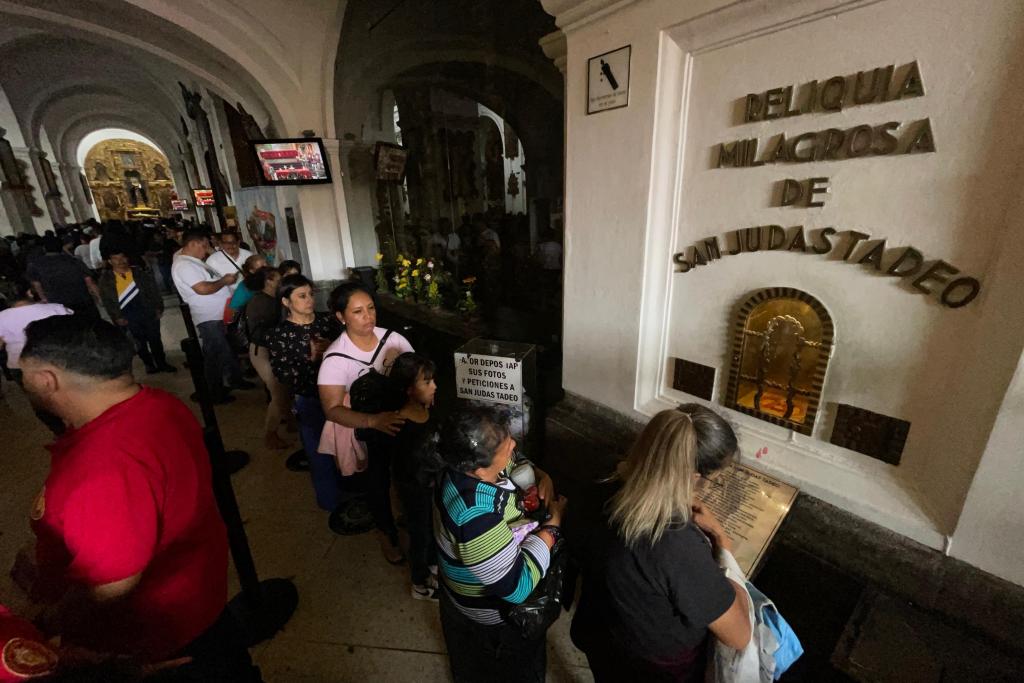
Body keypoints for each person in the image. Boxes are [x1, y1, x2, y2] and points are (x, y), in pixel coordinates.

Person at [18, 316, 261, 680]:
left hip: (155, 641)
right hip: (198, 604)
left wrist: (46, 620)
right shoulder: (158, 403)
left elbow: (112, 583)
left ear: (45, 379)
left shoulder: (104, 466)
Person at [567, 406, 752, 683]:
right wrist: (723, 545)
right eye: (715, 480)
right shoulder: (675, 543)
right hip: (651, 666)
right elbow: (739, 634)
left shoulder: (600, 481)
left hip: (600, 633)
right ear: (693, 477)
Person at [433, 405, 565, 683]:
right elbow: (515, 587)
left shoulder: (466, 464)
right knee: (511, 668)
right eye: (505, 444)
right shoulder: (475, 515)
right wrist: (552, 526)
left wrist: (543, 477)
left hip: (462, 595)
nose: (513, 444)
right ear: (480, 470)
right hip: (493, 615)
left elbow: (516, 459)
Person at [317, 282, 410, 559]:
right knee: (377, 481)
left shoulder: (393, 340)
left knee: (404, 475)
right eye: (357, 311)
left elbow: (416, 378)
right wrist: (372, 421)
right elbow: (332, 409)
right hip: (367, 428)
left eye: (370, 308)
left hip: (399, 420)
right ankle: (385, 531)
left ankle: (405, 518)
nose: (368, 316)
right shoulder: (335, 358)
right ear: (341, 317)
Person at [266, 275, 341, 511]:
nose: (309, 300)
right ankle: (330, 500)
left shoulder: (327, 322)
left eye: (311, 294)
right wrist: (312, 360)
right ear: (286, 302)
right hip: (310, 398)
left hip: (340, 393)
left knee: (348, 446)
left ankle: (352, 487)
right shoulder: (279, 334)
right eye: (301, 296)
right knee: (319, 450)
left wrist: (332, 350)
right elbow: (284, 375)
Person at [171, 228, 252, 404]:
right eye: (204, 245)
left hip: (218, 314)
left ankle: (229, 382)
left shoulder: (193, 261)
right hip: (208, 317)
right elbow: (203, 288)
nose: (206, 249)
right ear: (193, 244)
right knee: (216, 354)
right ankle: (214, 392)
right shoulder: (184, 265)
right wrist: (224, 281)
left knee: (221, 351)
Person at [382, 352, 439, 600]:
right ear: (408, 389)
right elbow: (404, 465)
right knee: (420, 533)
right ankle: (419, 582)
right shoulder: (399, 424)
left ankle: (433, 566)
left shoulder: (424, 410)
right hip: (414, 487)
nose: (434, 386)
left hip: (427, 484)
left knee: (429, 527)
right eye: (426, 382)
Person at [0, 279, 71, 433]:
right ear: (30, 292)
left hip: (21, 367)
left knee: (41, 403)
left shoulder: (2, 318)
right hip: (57, 361)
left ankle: (60, 432)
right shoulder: (55, 309)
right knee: (69, 393)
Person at [98, 245, 175, 375]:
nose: (120, 261)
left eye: (122, 257)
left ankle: (161, 362)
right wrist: (116, 317)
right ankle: (148, 363)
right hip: (127, 314)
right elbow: (107, 301)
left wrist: (158, 307)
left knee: (155, 338)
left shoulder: (139, 273)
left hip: (147, 310)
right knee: (139, 341)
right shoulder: (106, 280)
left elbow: (154, 291)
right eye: (115, 259)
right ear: (110, 261)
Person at [244, 266, 290, 449]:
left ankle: (290, 420)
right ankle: (270, 434)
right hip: (262, 351)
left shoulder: (272, 299)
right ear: (269, 281)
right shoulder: (261, 303)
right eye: (278, 278)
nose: (281, 281)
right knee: (278, 392)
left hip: (270, 349)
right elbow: (264, 333)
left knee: (283, 389)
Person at [26, 236, 101, 322]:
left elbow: (37, 284)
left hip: (56, 303)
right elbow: (89, 281)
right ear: (61, 247)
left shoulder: (36, 265)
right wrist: (99, 296)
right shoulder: (73, 261)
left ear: (44, 248)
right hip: (82, 299)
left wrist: (43, 298)